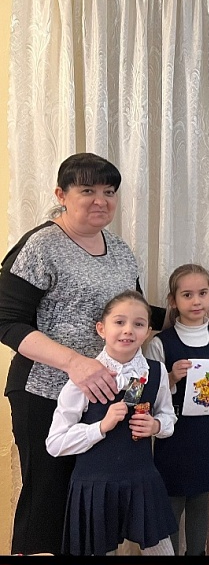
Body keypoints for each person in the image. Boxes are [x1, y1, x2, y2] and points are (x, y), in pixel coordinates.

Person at [0, 153, 164, 555]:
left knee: (93, 502)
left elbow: (134, 312)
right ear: (62, 195)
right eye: (87, 190)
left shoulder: (120, 250)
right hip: (45, 391)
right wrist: (74, 363)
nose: (100, 200)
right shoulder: (41, 246)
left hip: (106, 397)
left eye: (109, 192)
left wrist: (194, 316)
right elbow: (6, 321)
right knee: (49, 500)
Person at [46, 291, 177, 555]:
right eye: (119, 322)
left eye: (138, 324)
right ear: (101, 329)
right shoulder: (83, 378)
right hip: (95, 487)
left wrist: (156, 426)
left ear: (147, 332)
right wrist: (100, 427)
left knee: (162, 551)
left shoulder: (156, 372)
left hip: (142, 482)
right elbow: (55, 443)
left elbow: (168, 416)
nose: (128, 330)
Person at [144, 264, 209, 555]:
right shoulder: (160, 343)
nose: (196, 301)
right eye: (187, 295)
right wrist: (171, 378)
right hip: (174, 435)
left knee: (201, 498)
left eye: (202, 293)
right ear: (173, 301)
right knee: (172, 501)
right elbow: (148, 394)